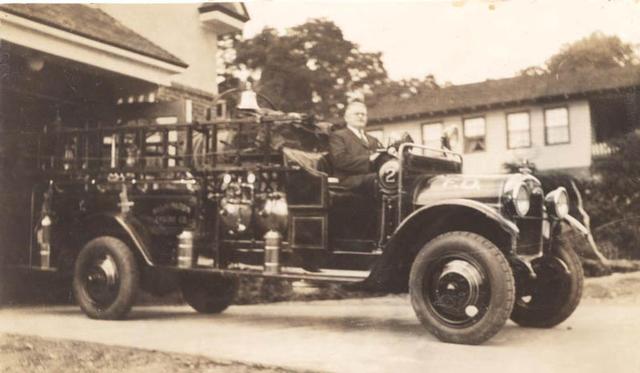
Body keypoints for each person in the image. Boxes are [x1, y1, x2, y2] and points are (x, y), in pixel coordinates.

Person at [328, 100, 382, 195]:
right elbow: (340, 160)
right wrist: (369, 159)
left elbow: (380, 159)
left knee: (394, 176)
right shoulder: (338, 136)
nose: (361, 116)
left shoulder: (373, 139)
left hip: (369, 177)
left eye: (363, 114)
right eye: (357, 114)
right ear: (346, 118)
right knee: (382, 179)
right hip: (348, 180)